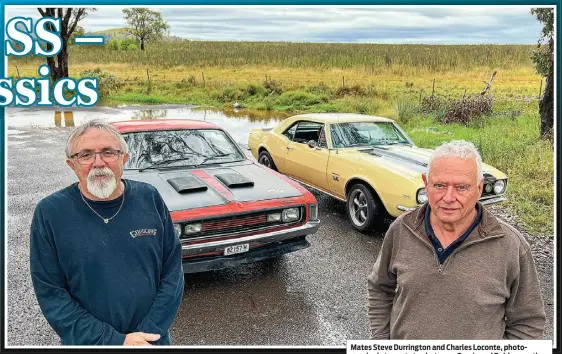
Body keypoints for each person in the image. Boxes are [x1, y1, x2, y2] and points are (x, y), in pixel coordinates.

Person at [367, 140, 546, 339]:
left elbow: (528, 323)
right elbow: (380, 288)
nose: (449, 197)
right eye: (440, 185)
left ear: (479, 189)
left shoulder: (511, 245)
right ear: (426, 184)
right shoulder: (402, 229)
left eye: (461, 187)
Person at [30, 119, 184, 346]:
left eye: (108, 152)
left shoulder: (149, 197)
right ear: (71, 164)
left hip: (151, 341)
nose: (98, 162)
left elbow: (172, 271)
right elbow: (51, 293)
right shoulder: (50, 212)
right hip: (89, 342)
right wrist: (114, 340)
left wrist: (148, 332)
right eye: (85, 155)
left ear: (124, 158)